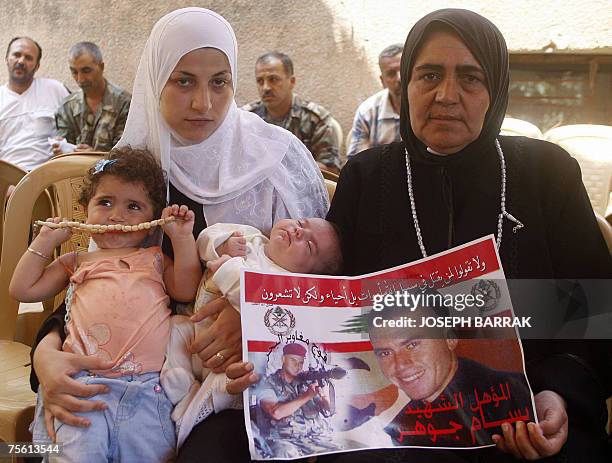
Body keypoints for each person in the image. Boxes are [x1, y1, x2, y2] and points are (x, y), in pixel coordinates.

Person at [27, 7, 328, 463]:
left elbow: (330, 279)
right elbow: (93, 286)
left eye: (220, 82)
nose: (203, 103)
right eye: (183, 80)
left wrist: (255, 318)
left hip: (250, 378)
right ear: (154, 80)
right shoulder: (131, 178)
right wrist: (46, 355)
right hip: (127, 376)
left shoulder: (276, 162)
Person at [327, 8, 612, 463]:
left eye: (471, 78)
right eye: (429, 75)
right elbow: (330, 306)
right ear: (406, 85)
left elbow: (593, 315)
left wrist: (559, 394)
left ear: (497, 90)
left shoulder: (546, 173)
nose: (446, 95)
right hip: (395, 419)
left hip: (525, 413)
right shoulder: (365, 177)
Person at [10, 147, 202, 461]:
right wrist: (43, 242)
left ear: (152, 221)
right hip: (80, 385)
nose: (116, 216)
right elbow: (23, 289)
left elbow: (185, 289)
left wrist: (181, 238)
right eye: (105, 202)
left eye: (134, 206)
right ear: (84, 208)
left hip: (148, 390)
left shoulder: (153, 259)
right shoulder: (76, 261)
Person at [161, 218, 341, 449]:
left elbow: (251, 298)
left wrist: (228, 268)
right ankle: (182, 379)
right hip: (197, 328)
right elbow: (207, 237)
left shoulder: (285, 286)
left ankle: (191, 414)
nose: (298, 232)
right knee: (175, 326)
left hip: (227, 363)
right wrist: (222, 245)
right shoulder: (252, 238)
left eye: (308, 246)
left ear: (309, 276)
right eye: (300, 222)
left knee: (236, 380)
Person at [367, 304, 533, 447]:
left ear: (450, 339)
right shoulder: (398, 431)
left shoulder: (515, 392)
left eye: (412, 345)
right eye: (385, 353)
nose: (400, 364)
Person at [243, 52, 342, 173]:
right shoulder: (246, 119)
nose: (266, 87)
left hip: (304, 190)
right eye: (260, 81)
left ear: (292, 81)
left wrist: (280, 173)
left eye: (273, 79)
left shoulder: (315, 119)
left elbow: (330, 169)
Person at [0, 37, 68, 170]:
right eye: (16, 55)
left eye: (28, 58)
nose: (21, 61)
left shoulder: (55, 89)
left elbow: (76, 129)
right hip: (6, 176)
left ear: (37, 66)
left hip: (48, 175)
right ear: (7, 59)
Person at [257, 342, 336, 458]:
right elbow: (276, 412)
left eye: (301, 362)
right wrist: (307, 395)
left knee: (340, 450)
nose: (297, 366)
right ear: (283, 359)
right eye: (293, 360)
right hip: (285, 440)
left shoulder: (306, 383)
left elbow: (328, 410)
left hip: (314, 438)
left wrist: (324, 396)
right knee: (286, 452)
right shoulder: (267, 383)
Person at [53, 41, 131, 155]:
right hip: (73, 171)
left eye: (86, 71)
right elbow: (63, 150)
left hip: (112, 171)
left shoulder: (124, 103)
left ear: (101, 67)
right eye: (74, 72)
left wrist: (94, 156)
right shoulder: (67, 107)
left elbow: (126, 153)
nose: (80, 79)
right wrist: (60, 148)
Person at [346, 43, 402, 158]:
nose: (400, 78)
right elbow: (357, 163)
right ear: (383, 81)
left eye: (404, 70)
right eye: (391, 73)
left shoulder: (431, 107)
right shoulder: (367, 112)